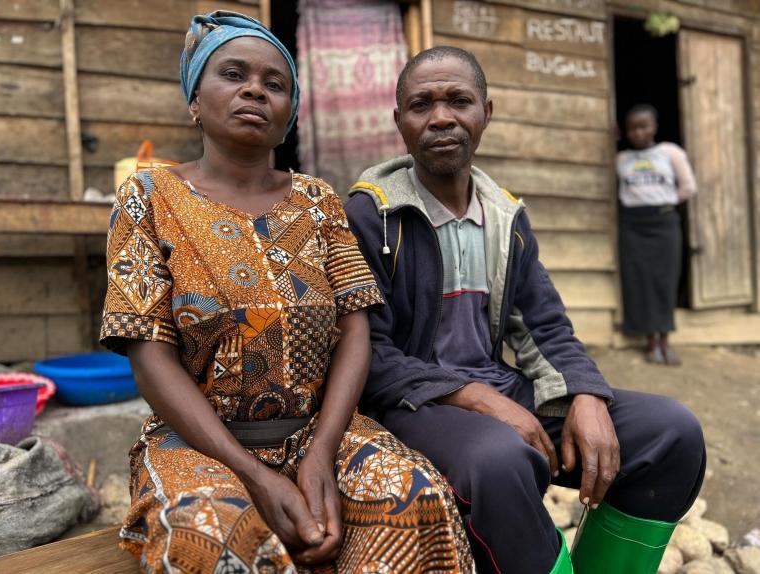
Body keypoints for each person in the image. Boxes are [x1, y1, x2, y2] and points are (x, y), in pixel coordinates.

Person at [100, 14, 472, 573]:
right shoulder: (148, 197)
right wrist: (253, 475)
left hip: (318, 432)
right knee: (211, 538)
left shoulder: (318, 200)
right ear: (195, 99)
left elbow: (355, 327)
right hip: (196, 445)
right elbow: (148, 353)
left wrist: (322, 450)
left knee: (414, 498)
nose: (255, 89)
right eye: (232, 74)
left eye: (275, 84)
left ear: (289, 115)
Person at [345, 46, 706, 574]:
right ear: (399, 121)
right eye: (421, 104)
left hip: (495, 386)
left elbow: (545, 323)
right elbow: (369, 353)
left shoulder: (506, 215)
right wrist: (479, 400)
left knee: (671, 431)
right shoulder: (371, 213)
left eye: (459, 100)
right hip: (414, 402)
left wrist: (585, 392)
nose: (441, 116)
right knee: (499, 460)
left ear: (486, 113)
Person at [617, 104, 697, 365]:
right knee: (640, 281)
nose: (638, 133)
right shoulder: (621, 159)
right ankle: (650, 342)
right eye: (632, 128)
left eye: (644, 126)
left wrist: (665, 202)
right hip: (633, 224)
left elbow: (688, 187)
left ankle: (665, 340)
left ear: (654, 127)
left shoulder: (670, 152)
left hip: (663, 223)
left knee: (665, 280)